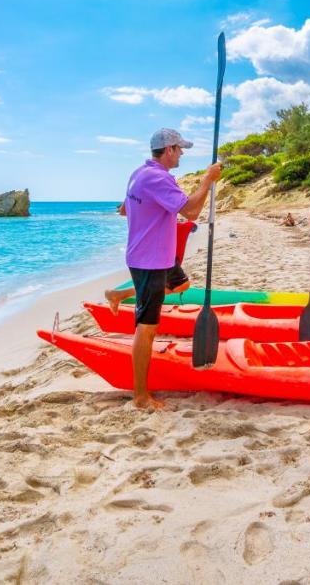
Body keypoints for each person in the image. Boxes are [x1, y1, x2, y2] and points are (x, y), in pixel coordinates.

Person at [119, 128, 221, 410]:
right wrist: (208, 181)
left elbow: (125, 209)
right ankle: (140, 397)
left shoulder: (140, 173)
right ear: (169, 150)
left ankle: (118, 296)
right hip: (149, 260)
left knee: (176, 288)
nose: (182, 154)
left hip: (152, 257)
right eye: (180, 149)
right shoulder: (157, 177)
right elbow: (190, 211)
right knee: (146, 328)